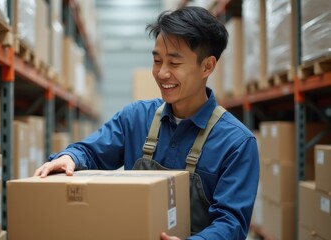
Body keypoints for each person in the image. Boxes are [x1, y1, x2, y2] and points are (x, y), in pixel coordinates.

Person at [34, 6, 259, 240]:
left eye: (174, 63)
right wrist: (69, 158)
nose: (162, 73)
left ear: (207, 66)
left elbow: (231, 223)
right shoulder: (135, 118)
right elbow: (90, 152)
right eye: (157, 61)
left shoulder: (237, 143)